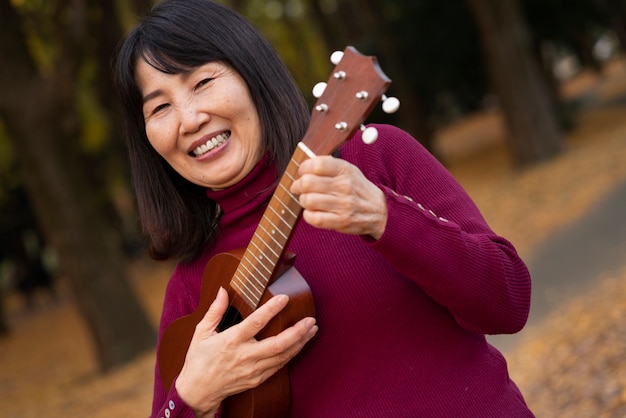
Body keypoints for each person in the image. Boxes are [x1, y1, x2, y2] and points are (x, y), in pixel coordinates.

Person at [114, 0, 535, 416]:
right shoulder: (191, 286)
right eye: (160, 107)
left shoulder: (374, 160)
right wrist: (190, 397)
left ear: (252, 75)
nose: (188, 119)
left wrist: (384, 217)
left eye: (202, 82)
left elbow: (509, 302)